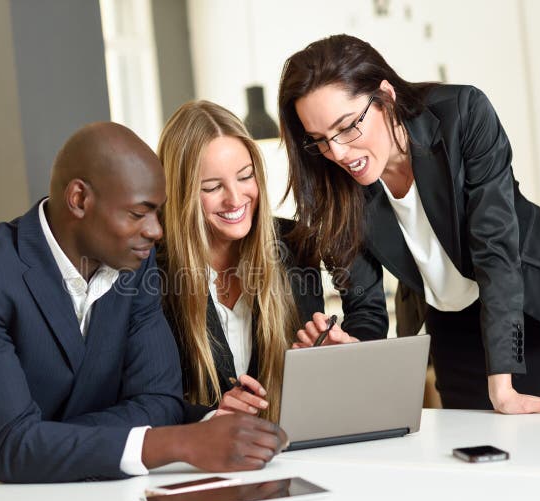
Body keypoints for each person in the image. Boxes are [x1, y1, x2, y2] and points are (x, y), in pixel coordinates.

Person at [0, 122, 288, 499]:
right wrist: (178, 441)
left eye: (157, 212)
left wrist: (41, 448)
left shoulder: (136, 264)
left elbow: (158, 401)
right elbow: (14, 446)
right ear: (79, 199)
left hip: (75, 495)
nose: (156, 231)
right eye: (138, 213)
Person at [278, 34, 540, 413]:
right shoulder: (332, 184)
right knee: (465, 433)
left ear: (385, 96)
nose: (338, 153)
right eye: (319, 139)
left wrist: (504, 390)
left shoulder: (462, 113)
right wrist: (353, 348)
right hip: (447, 312)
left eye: (347, 127)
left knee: (501, 420)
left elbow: (495, 249)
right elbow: (366, 305)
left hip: (524, 295)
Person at [156, 100, 388, 424]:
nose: (236, 199)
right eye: (212, 187)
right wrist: (208, 418)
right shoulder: (151, 272)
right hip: (195, 465)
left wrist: (331, 360)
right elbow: (141, 402)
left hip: (290, 453)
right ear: (181, 193)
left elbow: (365, 309)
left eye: (245, 176)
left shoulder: (295, 246)